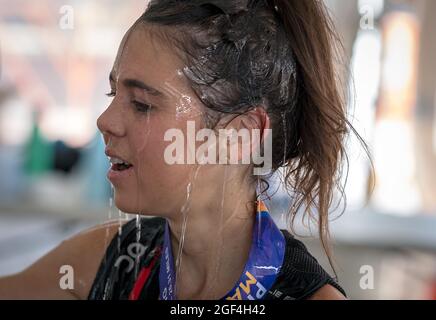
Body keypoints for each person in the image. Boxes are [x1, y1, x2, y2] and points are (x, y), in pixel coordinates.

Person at [0, 0, 354, 300]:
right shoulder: (109, 262)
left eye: (141, 104)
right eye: (113, 95)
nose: (105, 121)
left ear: (240, 136)